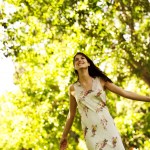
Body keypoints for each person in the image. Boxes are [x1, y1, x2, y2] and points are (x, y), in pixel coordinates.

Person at [60, 52, 150, 150]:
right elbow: (71, 114)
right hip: (91, 132)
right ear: (74, 66)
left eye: (82, 58)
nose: (80, 60)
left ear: (88, 63)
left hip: (108, 127)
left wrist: (148, 99)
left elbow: (124, 93)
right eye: (76, 60)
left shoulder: (100, 81)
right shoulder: (73, 88)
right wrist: (64, 136)